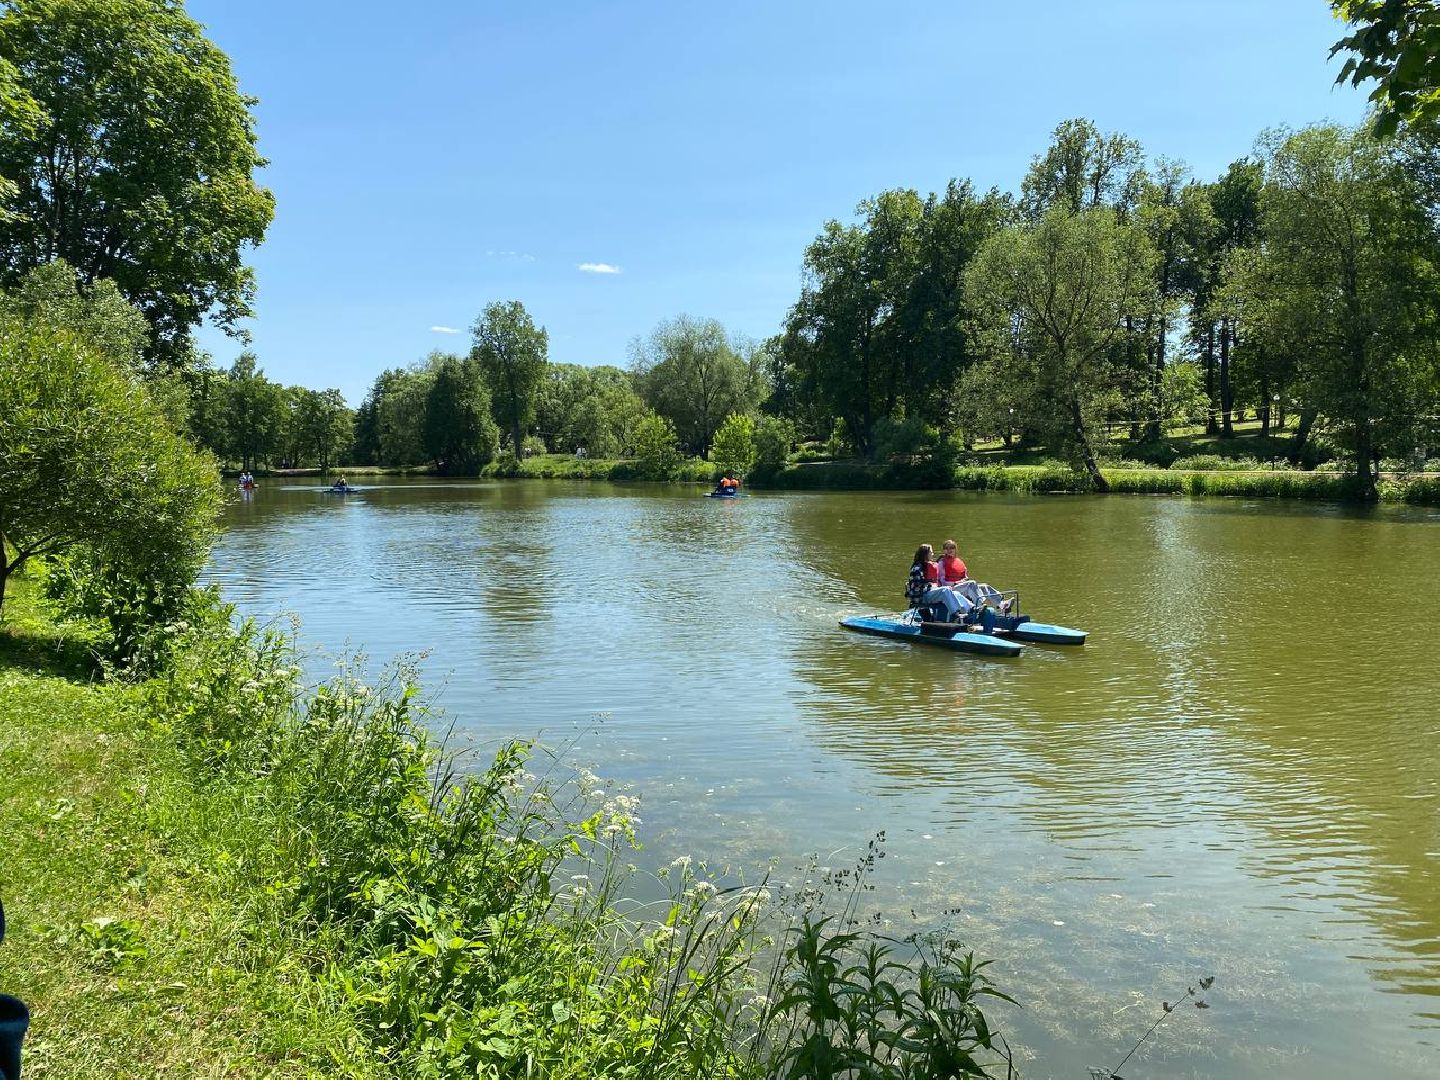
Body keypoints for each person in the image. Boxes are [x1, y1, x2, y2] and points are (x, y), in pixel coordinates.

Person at [906, 544, 964, 621]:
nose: (932, 554)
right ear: (925, 554)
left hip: (928, 592)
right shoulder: (917, 568)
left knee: (954, 592)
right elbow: (917, 586)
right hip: (922, 596)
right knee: (945, 590)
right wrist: (931, 584)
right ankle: (955, 615)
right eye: (931, 552)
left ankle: (966, 610)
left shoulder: (925, 566)